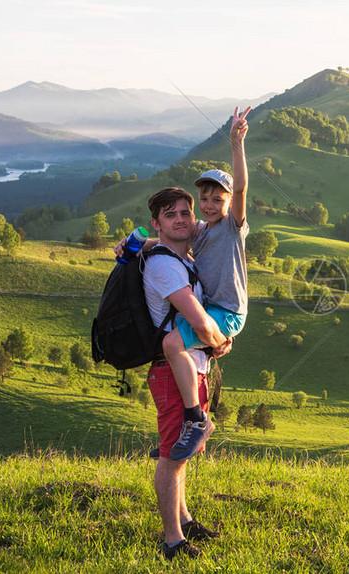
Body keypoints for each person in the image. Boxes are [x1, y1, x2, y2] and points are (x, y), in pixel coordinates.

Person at [118, 107, 252, 462]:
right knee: (174, 344)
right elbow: (165, 233)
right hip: (210, 310)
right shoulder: (198, 232)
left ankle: (194, 419)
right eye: (204, 200)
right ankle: (181, 425)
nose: (209, 205)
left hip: (227, 311)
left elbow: (240, 187)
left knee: (173, 343)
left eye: (217, 200)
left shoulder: (232, 227)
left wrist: (237, 142)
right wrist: (132, 245)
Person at [142, 186, 232, 559]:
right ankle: (173, 540)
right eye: (170, 215)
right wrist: (219, 339)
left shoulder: (184, 258)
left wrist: (136, 242)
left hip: (191, 367)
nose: (180, 220)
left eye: (184, 213)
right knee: (172, 454)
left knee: (185, 448)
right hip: (170, 370)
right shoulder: (165, 265)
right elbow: (197, 318)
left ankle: (184, 517)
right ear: (157, 223)